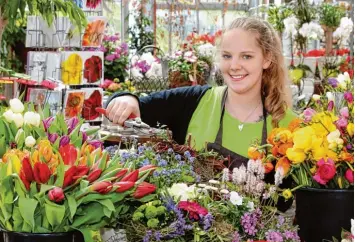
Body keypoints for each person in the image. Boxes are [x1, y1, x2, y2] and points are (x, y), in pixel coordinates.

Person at [106, 17, 296, 169]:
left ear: (267, 59)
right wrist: (126, 99)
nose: (235, 66)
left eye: (246, 56)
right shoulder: (195, 101)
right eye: (227, 56)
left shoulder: (289, 126)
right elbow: (139, 106)